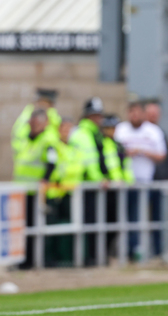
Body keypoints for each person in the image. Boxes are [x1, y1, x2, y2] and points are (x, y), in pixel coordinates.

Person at [115, 102, 167, 260]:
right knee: (129, 218)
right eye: (131, 112)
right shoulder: (121, 129)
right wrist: (125, 154)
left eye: (137, 112)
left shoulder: (153, 131)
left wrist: (143, 151)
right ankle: (131, 251)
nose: (134, 116)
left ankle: (156, 252)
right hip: (126, 181)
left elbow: (161, 155)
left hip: (146, 181)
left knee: (149, 217)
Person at [13, 109, 58, 269]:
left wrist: (44, 181)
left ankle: (33, 261)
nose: (33, 126)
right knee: (22, 228)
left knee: (35, 227)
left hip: (37, 192)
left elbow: (52, 163)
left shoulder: (47, 139)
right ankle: (23, 260)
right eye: (32, 123)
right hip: (22, 191)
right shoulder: (26, 139)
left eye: (37, 123)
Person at [69, 97, 107, 265]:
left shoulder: (93, 133)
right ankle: (87, 258)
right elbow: (89, 162)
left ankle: (93, 256)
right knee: (87, 223)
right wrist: (100, 180)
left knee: (94, 223)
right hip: (85, 185)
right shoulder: (84, 134)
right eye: (95, 116)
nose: (98, 119)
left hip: (90, 185)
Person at [44, 118, 84, 267]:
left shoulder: (75, 147)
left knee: (69, 226)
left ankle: (67, 258)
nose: (66, 132)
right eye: (64, 129)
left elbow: (78, 168)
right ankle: (50, 259)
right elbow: (53, 167)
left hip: (70, 193)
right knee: (51, 227)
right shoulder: (53, 146)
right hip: (54, 193)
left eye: (69, 129)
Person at [102, 115, 135, 257]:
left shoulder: (119, 145)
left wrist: (128, 181)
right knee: (104, 222)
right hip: (106, 190)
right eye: (108, 127)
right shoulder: (100, 144)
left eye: (113, 127)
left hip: (119, 190)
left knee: (116, 224)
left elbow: (125, 166)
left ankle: (108, 252)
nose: (111, 130)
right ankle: (101, 253)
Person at [145, 100, 168, 255]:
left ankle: (158, 252)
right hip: (142, 183)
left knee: (158, 219)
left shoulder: (162, 134)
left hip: (159, 183)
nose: (153, 116)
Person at [12, 88, 61, 155]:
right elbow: (19, 136)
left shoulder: (53, 117)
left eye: (47, 102)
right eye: (43, 102)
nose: (44, 105)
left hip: (49, 154)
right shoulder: (27, 116)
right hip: (27, 154)